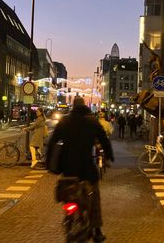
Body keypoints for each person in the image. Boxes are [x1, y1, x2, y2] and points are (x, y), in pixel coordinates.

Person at [46, 96, 114, 242]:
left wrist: (49, 165)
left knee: (68, 194)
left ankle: (69, 220)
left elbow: (52, 142)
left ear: (72, 106)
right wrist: (109, 155)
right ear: (84, 106)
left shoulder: (64, 121)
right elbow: (104, 140)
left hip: (67, 169)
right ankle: (97, 230)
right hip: (86, 168)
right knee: (94, 197)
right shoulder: (92, 121)